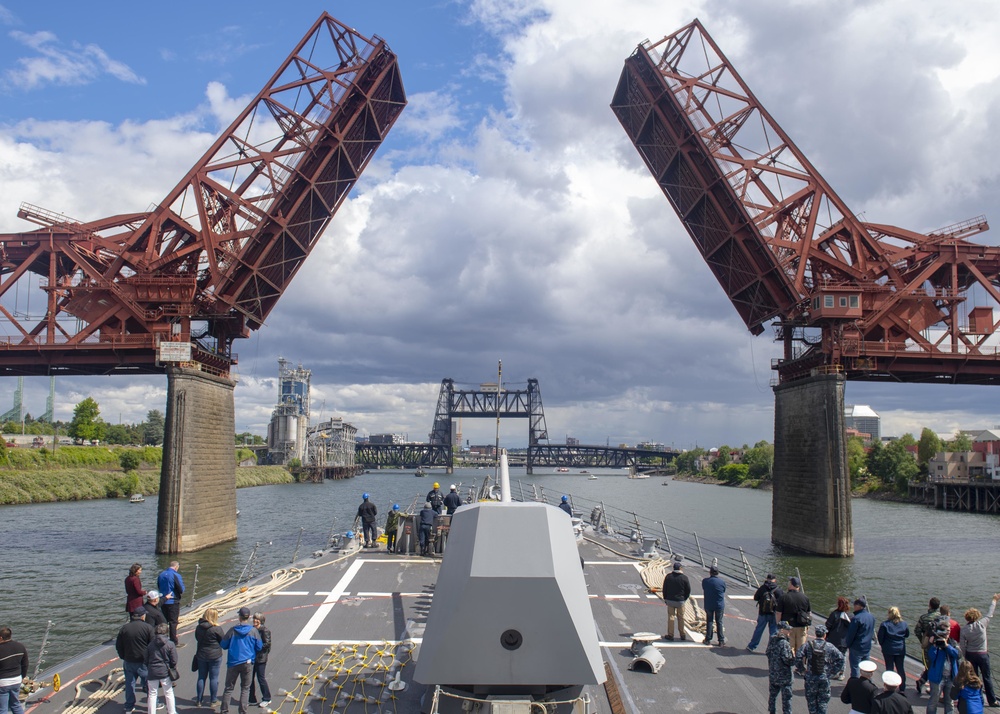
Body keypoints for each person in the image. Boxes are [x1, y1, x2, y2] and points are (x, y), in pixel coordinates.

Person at [959, 593, 1000, 707]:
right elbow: (990, 613)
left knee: (974, 679)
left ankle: (978, 698)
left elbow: (962, 645)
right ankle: (992, 701)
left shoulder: (964, 630)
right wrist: (994, 600)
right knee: (987, 678)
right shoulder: (982, 624)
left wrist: (965, 656)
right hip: (983, 655)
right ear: (977, 616)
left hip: (971, 655)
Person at [219, 607, 263, 714]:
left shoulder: (232, 630)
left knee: (229, 688)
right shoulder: (253, 631)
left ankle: (224, 710)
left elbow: (223, 645)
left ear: (239, 617)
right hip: (247, 663)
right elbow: (259, 647)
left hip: (233, 663)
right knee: (245, 689)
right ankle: (243, 711)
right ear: (248, 617)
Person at [796, 624, 844, 714]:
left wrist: (802, 670)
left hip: (810, 677)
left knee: (811, 702)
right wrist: (832, 672)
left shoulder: (808, 645)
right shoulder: (829, 646)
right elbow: (841, 659)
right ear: (824, 634)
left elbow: (798, 656)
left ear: (816, 633)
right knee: (823, 702)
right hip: (824, 677)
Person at [116, 607, 154, 714]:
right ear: (143, 616)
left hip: (128, 661)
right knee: (149, 684)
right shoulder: (148, 628)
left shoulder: (124, 628)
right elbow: (152, 645)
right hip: (143, 662)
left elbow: (119, 645)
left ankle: (129, 706)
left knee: (129, 684)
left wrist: (123, 656)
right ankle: (152, 705)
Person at [194, 607, 225, 707]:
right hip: (214, 655)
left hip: (201, 654)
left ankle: (199, 700)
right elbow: (223, 641)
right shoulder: (216, 628)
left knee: (201, 677)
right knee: (214, 678)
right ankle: (213, 700)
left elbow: (197, 638)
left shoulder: (199, 627)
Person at [145, 623, 178, 714]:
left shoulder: (150, 644)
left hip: (152, 670)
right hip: (165, 670)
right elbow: (174, 659)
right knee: (168, 692)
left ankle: (151, 712)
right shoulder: (170, 644)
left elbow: (146, 659)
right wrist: (172, 667)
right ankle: (172, 712)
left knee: (152, 693)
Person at [926, 632, 961, 714]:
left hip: (950, 677)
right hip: (937, 678)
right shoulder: (935, 644)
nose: (945, 636)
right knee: (933, 702)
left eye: (947, 634)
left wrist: (947, 646)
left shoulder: (952, 643)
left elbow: (958, 655)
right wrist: (933, 645)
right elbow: (931, 657)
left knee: (949, 702)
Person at [877, 607, 910, 693]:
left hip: (888, 649)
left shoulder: (884, 624)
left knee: (889, 668)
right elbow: (907, 634)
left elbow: (880, 638)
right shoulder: (904, 624)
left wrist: (883, 645)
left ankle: (889, 686)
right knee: (900, 668)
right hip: (900, 649)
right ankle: (902, 687)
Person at [748, 573, 782, 651]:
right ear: (775, 580)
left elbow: (755, 598)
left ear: (767, 579)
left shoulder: (762, 588)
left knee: (759, 630)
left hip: (762, 613)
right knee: (773, 632)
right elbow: (781, 601)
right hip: (773, 613)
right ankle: (771, 648)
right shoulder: (778, 589)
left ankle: (752, 646)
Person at [767, 621, 796, 714]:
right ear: (782, 630)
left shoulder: (772, 639)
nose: (789, 632)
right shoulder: (784, 643)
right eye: (788, 630)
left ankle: (772, 711)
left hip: (773, 673)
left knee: (772, 696)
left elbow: (768, 652)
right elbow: (788, 660)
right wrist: (794, 657)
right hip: (784, 676)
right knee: (787, 699)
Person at [916, 597, 943, 694]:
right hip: (940, 646)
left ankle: (923, 681)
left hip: (928, 646)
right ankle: (931, 686)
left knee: (929, 665)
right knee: (938, 666)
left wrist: (923, 641)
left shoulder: (924, 618)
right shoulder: (942, 618)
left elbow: (917, 631)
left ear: (929, 605)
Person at [778, 576, 811, 656]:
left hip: (788, 626)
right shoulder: (805, 598)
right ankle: (800, 666)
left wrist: (778, 624)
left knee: (789, 648)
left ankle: (788, 664)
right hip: (802, 626)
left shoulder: (784, 597)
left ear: (791, 585)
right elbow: (809, 613)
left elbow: (778, 613)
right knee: (801, 649)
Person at [845, 597, 876, 679]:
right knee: (866, 669)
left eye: (855, 604)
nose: (854, 606)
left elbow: (851, 634)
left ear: (860, 606)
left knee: (855, 669)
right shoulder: (871, 617)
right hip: (867, 647)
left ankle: (854, 686)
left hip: (856, 647)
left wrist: (847, 644)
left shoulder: (856, 618)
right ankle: (868, 685)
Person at [0, 626, 29, 714]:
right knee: (15, 704)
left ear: (0, 638)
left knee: (2, 709)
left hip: (3, 682)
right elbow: (25, 664)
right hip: (17, 680)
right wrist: (22, 677)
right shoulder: (20, 646)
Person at [661, 561, 691, 641]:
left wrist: (665, 598)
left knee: (671, 617)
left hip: (670, 600)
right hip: (680, 601)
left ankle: (670, 635)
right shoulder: (684, 578)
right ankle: (682, 634)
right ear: (680, 568)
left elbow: (664, 588)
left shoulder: (668, 577)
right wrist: (684, 598)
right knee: (681, 617)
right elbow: (688, 590)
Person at [157, 562, 185, 645]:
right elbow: (181, 589)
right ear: (176, 567)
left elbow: (158, 586)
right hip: (173, 601)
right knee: (173, 622)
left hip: (163, 600)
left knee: (164, 621)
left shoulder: (161, 574)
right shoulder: (175, 575)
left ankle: (163, 639)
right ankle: (174, 641)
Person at [826, 596, 853, 680]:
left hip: (833, 639)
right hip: (845, 640)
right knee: (843, 656)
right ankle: (842, 673)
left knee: (833, 656)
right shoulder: (851, 616)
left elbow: (828, 625)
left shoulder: (834, 614)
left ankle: (834, 672)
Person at [247, 613, 271, 709]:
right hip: (252, 657)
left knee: (261, 678)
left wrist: (257, 646)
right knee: (250, 679)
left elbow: (267, 644)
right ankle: (252, 699)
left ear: (261, 621)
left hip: (261, 658)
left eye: (257, 619)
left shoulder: (265, 631)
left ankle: (267, 698)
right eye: (254, 619)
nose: (255, 621)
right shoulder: (251, 629)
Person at [702, 566, 726, 646]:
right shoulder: (722, 582)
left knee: (709, 621)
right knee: (719, 622)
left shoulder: (705, 581)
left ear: (710, 572)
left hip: (709, 604)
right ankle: (721, 641)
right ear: (718, 573)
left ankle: (708, 639)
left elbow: (704, 588)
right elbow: (723, 590)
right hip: (719, 605)